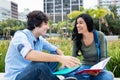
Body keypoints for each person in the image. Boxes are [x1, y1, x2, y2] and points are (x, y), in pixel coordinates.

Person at [4, 10, 80, 80]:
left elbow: (56, 50)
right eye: (45, 24)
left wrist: (63, 59)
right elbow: (29, 55)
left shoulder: (39, 39)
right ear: (35, 25)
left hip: (32, 74)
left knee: (53, 54)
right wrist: (60, 58)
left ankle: (51, 77)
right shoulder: (20, 36)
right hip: (17, 77)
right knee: (39, 65)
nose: (48, 27)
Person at [71, 13, 114, 80]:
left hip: (97, 68)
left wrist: (97, 70)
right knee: (71, 74)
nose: (77, 25)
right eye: (77, 23)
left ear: (88, 23)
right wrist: (67, 64)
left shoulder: (99, 35)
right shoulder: (77, 39)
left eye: (80, 23)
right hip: (84, 68)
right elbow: (73, 57)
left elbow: (103, 57)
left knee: (107, 77)